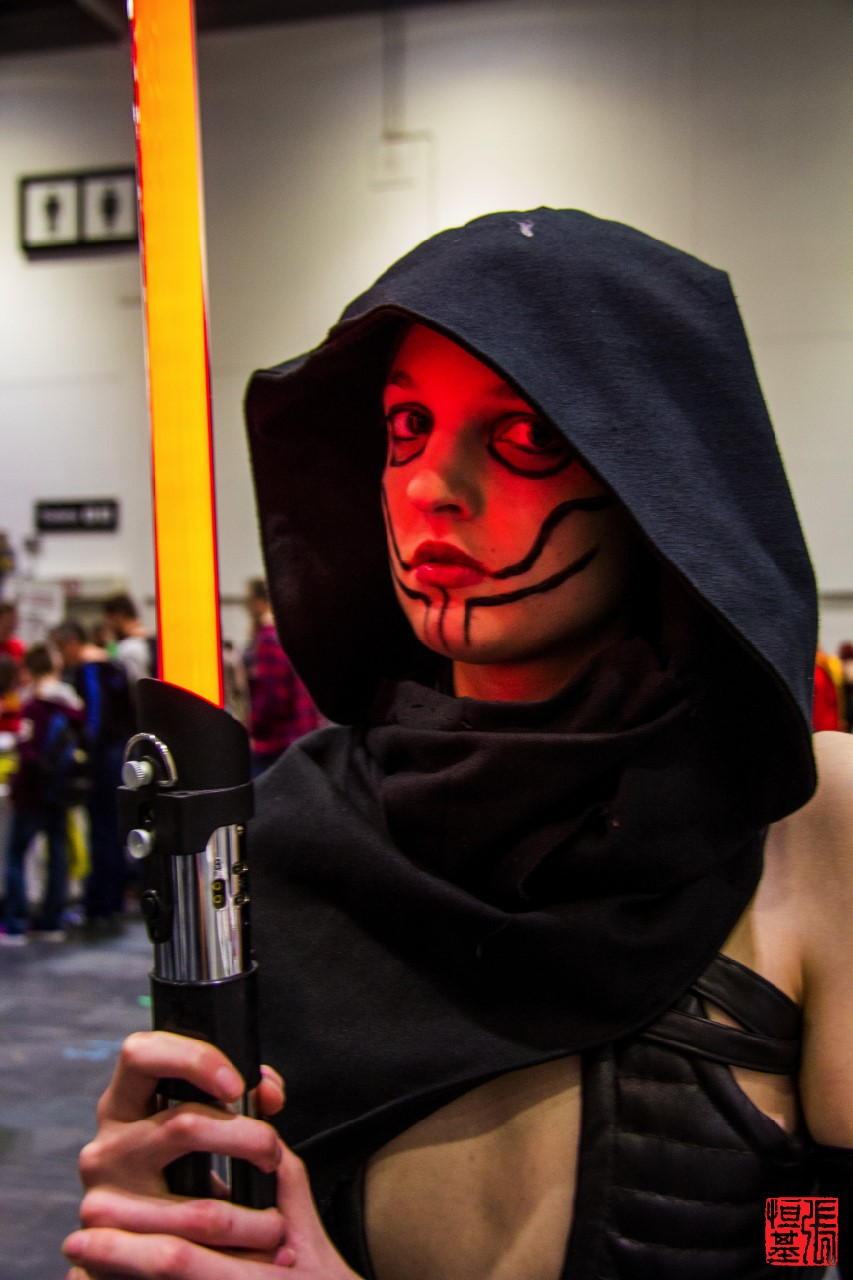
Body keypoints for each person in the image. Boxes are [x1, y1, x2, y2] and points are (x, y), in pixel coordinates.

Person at [64, 210, 853, 1279]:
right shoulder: (280, 840)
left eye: (523, 436)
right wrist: (151, 1233)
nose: (430, 485)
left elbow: (827, 1229)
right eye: (407, 428)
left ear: (655, 475)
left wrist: (790, 1228)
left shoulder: (806, 819)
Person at [52, 620, 135, 934]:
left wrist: (87, 756)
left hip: (105, 758)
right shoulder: (110, 664)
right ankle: (110, 900)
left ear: (72, 643)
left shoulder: (91, 669)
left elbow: (95, 720)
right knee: (111, 829)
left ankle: (100, 902)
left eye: (62, 648)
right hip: (117, 752)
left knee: (102, 830)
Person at [1, 643, 85, 943]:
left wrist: (20, 784)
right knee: (57, 855)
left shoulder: (34, 707)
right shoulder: (71, 704)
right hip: (60, 790)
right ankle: (52, 920)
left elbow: (28, 752)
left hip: (32, 792)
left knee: (16, 854)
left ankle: (15, 921)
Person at [243, 577, 322, 776]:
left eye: (249, 601)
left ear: (260, 602)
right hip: (300, 735)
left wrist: (253, 728)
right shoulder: (291, 633)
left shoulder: (269, 638)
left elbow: (272, 696)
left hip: (276, 742)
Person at [102, 592, 157, 685]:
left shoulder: (129, 645)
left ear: (118, 615)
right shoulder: (148, 636)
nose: (108, 624)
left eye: (109, 619)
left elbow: (113, 659)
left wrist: (110, 642)